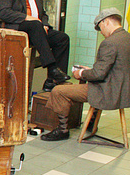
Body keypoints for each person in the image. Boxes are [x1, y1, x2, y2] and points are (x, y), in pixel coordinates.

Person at [41, 8, 130, 141]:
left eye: (100, 28)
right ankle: (91, 121)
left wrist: (81, 73)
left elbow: (99, 74)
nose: (102, 33)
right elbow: (115, 68)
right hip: (123, 91)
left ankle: (62, 129)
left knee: (59, 90)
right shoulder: (126, 38)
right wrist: (90, 70)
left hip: (106, 91)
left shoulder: (110, 43)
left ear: (106, 22)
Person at [0, 0, 70, 91]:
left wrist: (44, 24)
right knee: (34, 25)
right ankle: (52, 68)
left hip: (36, 29)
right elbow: (2, 11)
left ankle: (53, 80)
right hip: (15, 27)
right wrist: (26, 17)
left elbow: (43, 14)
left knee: (62, 38)